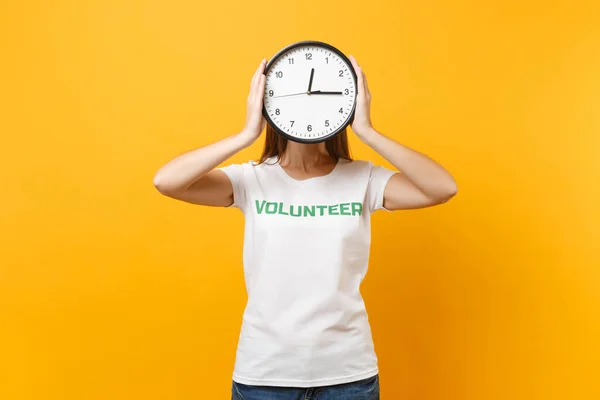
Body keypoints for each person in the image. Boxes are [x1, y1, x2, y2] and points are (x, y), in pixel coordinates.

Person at [153, 55, 458, 400]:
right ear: (269, 103)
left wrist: (368, 132)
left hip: (348, 375)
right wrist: (247, 133)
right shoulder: (250, 180)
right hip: (265, 373)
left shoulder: (363, 178)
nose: (307, 104)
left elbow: (442, 188)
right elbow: (166, 181)